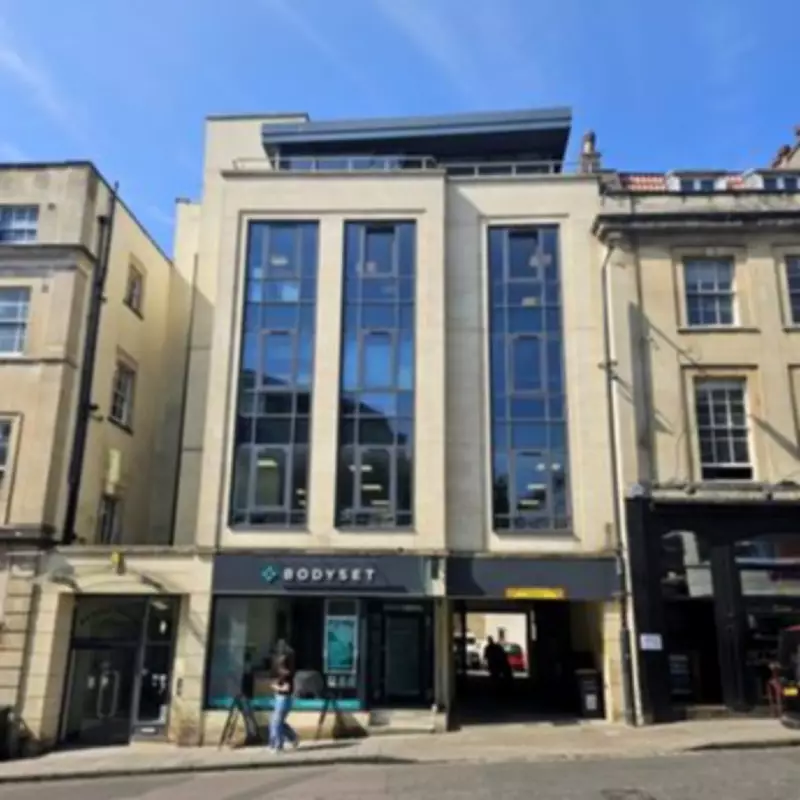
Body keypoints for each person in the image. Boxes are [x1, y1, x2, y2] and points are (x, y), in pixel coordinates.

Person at [269, 650, 298, 752]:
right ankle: (292, 737)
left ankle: (277, 745)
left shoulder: (287, 675)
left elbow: (286, 689)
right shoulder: (282, 674)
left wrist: (276, 687)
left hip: (283, 699)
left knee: (276, 723)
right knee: (278, 722)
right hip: (280, 698)